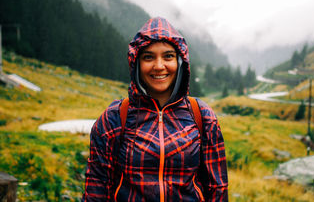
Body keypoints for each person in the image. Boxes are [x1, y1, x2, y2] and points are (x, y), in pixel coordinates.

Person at [82, 17, 228, 201]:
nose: (159, 66)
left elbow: (218, 189)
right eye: (149, 57)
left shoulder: (202, 117)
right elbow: (96, 191)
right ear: (136, 63)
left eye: (168, 56)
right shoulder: (114, 118)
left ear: (180, 62)